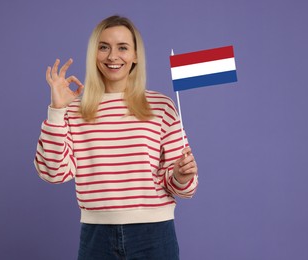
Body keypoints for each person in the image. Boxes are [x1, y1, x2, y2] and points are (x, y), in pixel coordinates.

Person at [34, 15, 198, 260]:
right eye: (104, 47)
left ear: (135, 56)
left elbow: (184, 188)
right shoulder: (73, 110)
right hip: (96, 236)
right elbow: (53, 173)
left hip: (154, 234)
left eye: (122, 47)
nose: (112, 56)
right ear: (94, 53)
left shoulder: (161, 106)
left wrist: (181, 175)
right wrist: (57, 110)